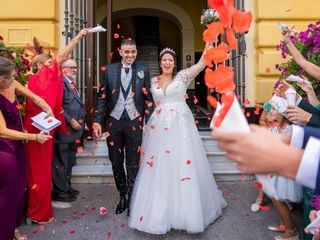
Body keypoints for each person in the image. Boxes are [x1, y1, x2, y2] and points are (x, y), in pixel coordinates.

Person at [128, 45, 227, 234]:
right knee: (160, 165)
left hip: (180, 126)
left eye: (170, 60)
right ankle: (159, 212)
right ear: (160, 63)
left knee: (183, 161)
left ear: (175, 63)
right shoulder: (152, 81)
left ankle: (187, 211)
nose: (167, 62)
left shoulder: (182, 76)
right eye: (164, 60)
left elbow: (201, 64)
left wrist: (207, 44)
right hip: (159, 128)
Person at [24, 28, 90, 224]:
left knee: (40, 172)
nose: (55, 65)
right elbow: (62, 55)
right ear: (39, 65)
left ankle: (39, 210)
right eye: (50, 63)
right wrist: (78, 37)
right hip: (39, 132)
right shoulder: (45, 76)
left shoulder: (33, 80)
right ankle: (38, 213)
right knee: (40, 173)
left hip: (40, 129)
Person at [93, 38, 154, 215]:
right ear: (120, 51)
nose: (130, 55)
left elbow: (148, 99)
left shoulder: (143, 70)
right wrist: (97, 120)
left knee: (133, 162)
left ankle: (132, 197)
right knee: (116, 162)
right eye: (126, 52)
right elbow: (102, 98)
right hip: (114, 123)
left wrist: (148, 121)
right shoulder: (110, 70)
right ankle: (122, 195)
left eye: (133, 52)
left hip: (135, 122)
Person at [0, 57, 52, 240]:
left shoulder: (12, 83)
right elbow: (3, 131)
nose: (15, 77)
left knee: (20, 188)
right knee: (9, 190)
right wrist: (34, 137)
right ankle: (5, 233)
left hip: (19, 143)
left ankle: (12, 228)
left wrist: (46, 106)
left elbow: (34, 97)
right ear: (1, 78)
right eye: (12, 75)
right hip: (5, 147)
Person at [52, 59, 85, 203]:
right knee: (61, 161)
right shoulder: (60, 83)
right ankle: (60, 192)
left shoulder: (70, 82)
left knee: (69, 160)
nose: (75, 70)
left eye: (76, 67)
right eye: (72, 67)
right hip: (64, 129)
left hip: (73, 132)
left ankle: (67, 187)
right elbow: (57, 106)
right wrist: (70, 119)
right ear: (62, 68)